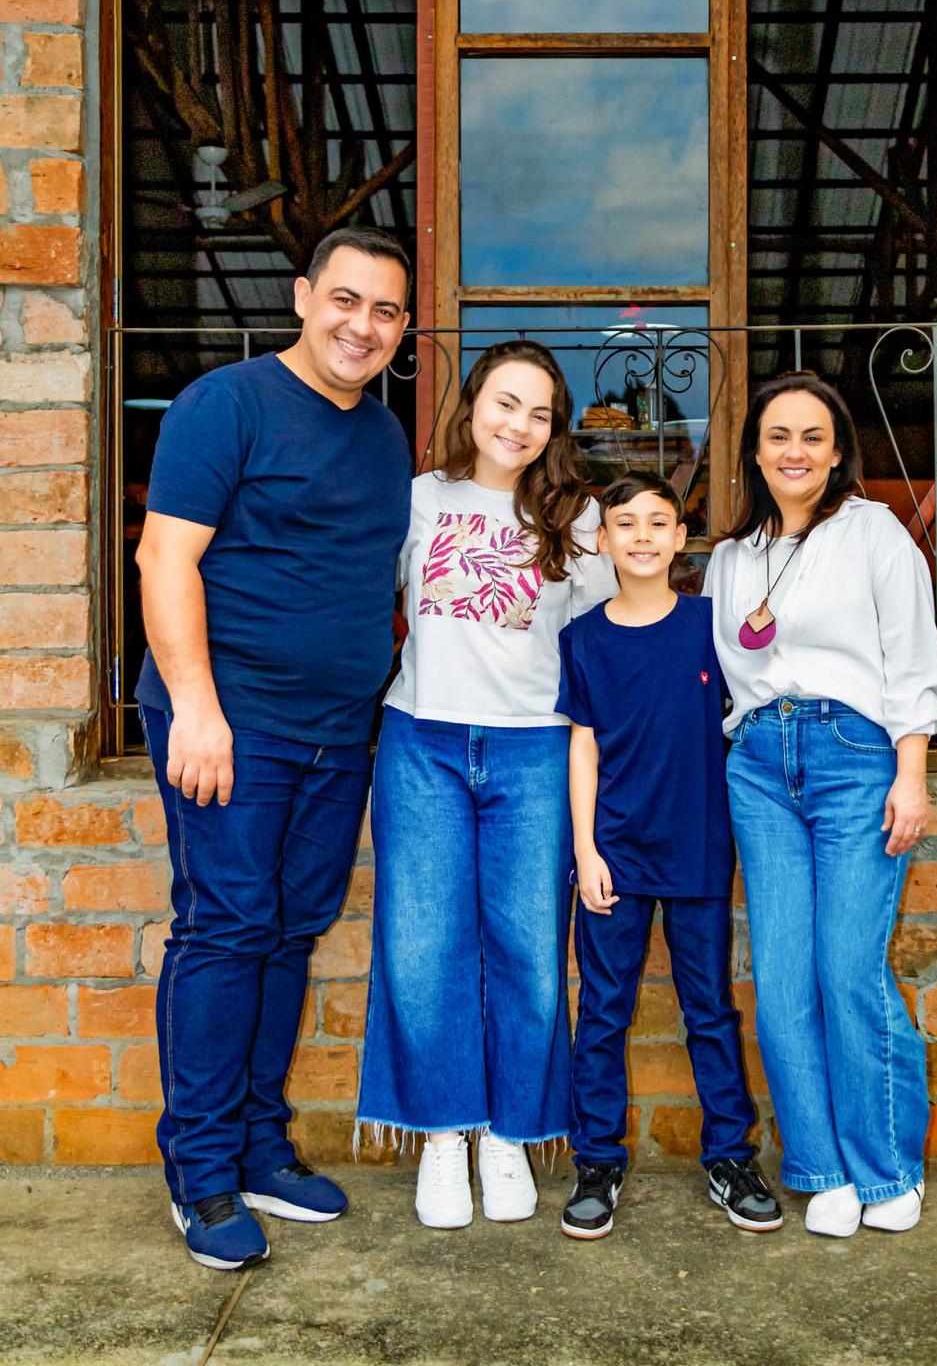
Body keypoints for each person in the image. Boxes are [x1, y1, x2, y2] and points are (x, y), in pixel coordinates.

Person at [135, 227, 413, 1271]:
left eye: (385, 311)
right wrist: (197, 707)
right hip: (233, 722)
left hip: (339, 733)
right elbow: (165, 558)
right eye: (346, 300)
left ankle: (257, 1146)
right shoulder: (228, 404)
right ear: (303, 297)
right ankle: (201, 1170)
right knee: (226, 928)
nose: (362, 326)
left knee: (290, 931)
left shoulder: (382, 434)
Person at [357, 339, 615, 1229]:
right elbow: (365, 602)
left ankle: (511, 1135)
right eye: (507, 403)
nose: (520, 425)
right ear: (472, 406)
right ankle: (443, 1133)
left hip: (534, 749)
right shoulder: (419, 499)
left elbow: (599, 644)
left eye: (540, 413)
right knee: (422, 944)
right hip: (421, 738)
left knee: (529, 950)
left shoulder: (578, 516)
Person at [705, 370, 937, 1239]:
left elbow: (911, 657)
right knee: (781, 981)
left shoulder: (873, 532)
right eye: (778, 436)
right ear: (754, 451)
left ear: (838, 451)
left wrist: (911, 773)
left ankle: (888, 1167)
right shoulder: (732, 559)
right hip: (757, 764)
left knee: (848, 972)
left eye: (813, 436)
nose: (795, 452)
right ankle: (822, 1168)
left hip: (854, 756)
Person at [556, 470, 782, 1241]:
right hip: (614, 854)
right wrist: (584, 850)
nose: (643, 536)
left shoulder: (708, 625)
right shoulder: (583, 639)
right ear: (602, 540)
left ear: (681, 538)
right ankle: (597, 1163)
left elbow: (762, 677)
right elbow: (583, 747)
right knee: (602, 1013)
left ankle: (731, 1158)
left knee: (709, 1009)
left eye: (659, 522)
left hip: (697, 851)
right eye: (626, 524)